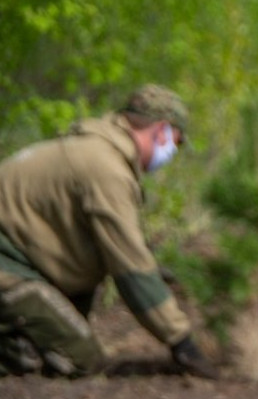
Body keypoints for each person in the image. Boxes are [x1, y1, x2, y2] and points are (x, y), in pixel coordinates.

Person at [0, 84, 218, 379]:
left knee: (63, 334)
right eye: (175, 143)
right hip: (8, 267)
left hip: (18, 259)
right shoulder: (107, 170)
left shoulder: (91, 149)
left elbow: (98, 243)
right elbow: (129, 267)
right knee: (79, 360)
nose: (172, 153)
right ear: (161, 131)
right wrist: (182, 341)